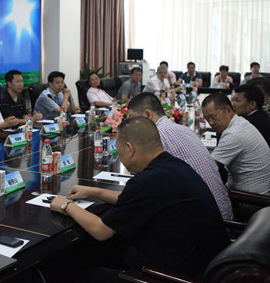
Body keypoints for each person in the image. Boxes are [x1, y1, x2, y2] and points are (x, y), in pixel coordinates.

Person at [49, 117, 229, 281]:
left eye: (119, 150)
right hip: (207, 265)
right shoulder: (172, 165)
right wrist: (95, 192)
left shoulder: (146, 181)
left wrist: (65, 205)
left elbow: (101, 231)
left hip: (172, 275)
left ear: (129, 148)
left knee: (79, 274)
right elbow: (134, 198)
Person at [128, 93, 233, 219]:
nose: (131, 124)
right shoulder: (184, 129)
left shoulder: (157, 137)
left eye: (133, 118)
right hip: (222, 212)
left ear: (148, 115)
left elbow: (143, 185)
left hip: (207, 221)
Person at [201, 93, 270, 195]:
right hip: (257, 190)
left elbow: (206, 167)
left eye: (213, 117)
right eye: (207, 119)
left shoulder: (233, 134)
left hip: (249, 198)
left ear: (228, 110)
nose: (211, 123)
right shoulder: (240, 123)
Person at [231, 84, 270, 158]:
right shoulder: (260, 115)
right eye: (233, 101)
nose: (233, 105)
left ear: (252, 104)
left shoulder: (251, 124)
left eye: (237, 101)